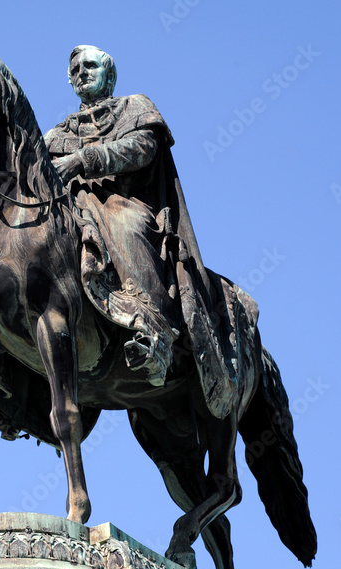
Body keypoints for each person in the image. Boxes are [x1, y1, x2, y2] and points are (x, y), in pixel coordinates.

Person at [45, 45, 237, 413]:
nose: (81, 73)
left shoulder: (134, 105)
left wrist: (83, 160)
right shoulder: (56, 135)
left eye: (89, 66)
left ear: (109, 76)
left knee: (127, 228)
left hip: (124, 202)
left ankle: (155, 334)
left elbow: (143, 147)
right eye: (74, 70)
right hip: (73, 209)